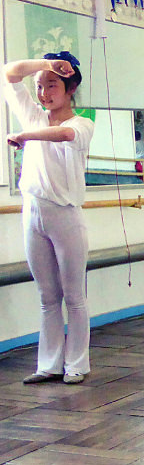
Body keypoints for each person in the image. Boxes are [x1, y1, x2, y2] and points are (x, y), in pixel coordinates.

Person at [4, 52, 95, 385]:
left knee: (74, 295)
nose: (44, 93)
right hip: (33, 212)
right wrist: (45, 65)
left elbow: (64, 136)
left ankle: (77, 365)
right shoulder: (33, 115)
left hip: (65, 215)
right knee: (47, 296)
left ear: (70, 89)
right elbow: (9, 72)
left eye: (52, 85)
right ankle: (49, 364)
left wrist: (27, 136)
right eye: (40, 86)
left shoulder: (81, 123)